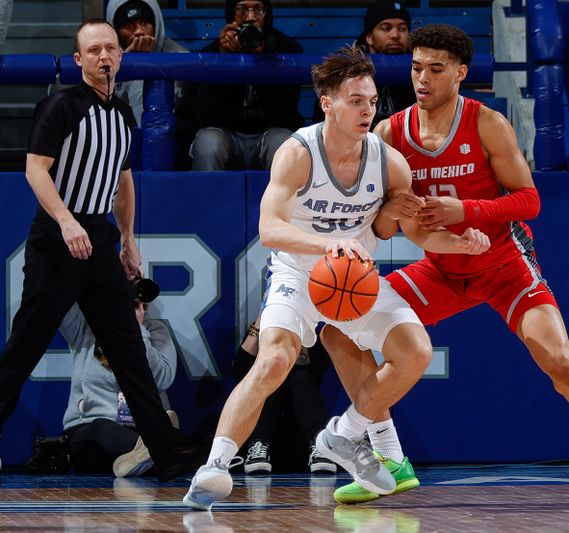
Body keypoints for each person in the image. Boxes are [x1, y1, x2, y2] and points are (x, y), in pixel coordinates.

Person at [320, 24, 569, 504]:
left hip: (505, 264)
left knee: (562, 364)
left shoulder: (487, 123)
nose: (422, 78)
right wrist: (444, 237)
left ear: (461, 74)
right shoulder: (390, 132)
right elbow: (410, 223)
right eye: (415, 67)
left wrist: (467, 213)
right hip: (443, 267)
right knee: (338, 331)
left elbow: (529, 201)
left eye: (435, 69)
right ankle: (390, 459)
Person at [183, 44, 490, 511]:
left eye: (370, 100)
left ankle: (343, 436)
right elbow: (269, 229)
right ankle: (214, 469)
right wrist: (329, 244)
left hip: (355, 278)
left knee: (415, 352)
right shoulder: (297, 151)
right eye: (354, 99)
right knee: (274, 362)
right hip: (299, 274)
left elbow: (410, 230)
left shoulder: (389, 163)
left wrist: (460, 242)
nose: (367, 109)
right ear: (328, 103)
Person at [0, 19, 199, 480]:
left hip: (102, 239)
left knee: (128, 349)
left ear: (121, 55)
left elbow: (123, 181)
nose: (103, 57)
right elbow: (35, 170)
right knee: (26, 345)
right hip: (56, 241)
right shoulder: (60, 106)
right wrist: (66, 221)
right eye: (93, 51)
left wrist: (128, 238)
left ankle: (162, 449)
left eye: (110, 49)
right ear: (78, 60)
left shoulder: (123, 116)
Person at [174, 0, 303, 171]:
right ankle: (207, 198)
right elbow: (205, 118)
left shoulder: (287, 50)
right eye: (242, 10)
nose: (250, 18)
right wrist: (222, 62)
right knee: (207, 140)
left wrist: (263, 62)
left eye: (258, 10)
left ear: (268, 13)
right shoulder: (211, 53)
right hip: (227, 138)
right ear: (230, 14)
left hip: (267, 136)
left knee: (283, 139)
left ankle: (280, 198)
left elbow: (285, 117)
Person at [61, 295, 178, 476]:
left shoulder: (155, 331)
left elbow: (161, 380)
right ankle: (152, 451)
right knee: (101, 429)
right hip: (91, 431)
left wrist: (136, 330)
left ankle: (139, 457)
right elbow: (60, 290)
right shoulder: (84, 326)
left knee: (161, 434)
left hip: (141, 426)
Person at [231, 307, 336, 475]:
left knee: (299, 376)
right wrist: (259, 324)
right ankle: (259, 445)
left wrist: (298, 332)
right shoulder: (263, 332)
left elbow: (316, 374)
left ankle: (319, 445)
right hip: (262, 424)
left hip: (298, 427)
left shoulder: (312, 337)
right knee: (270, 377)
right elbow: (238, 371)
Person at [313, 0, 416, 129]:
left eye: (402, 29)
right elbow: (324, 121)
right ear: (369, 37)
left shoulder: (419, 67)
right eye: (386, 28)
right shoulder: (343, 67)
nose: (395, 35)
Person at [105, 0, 188, 126]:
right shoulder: (104, 61)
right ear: (115, 31)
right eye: (128, 25)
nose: (138, 31)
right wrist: (131, 62)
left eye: (144, 23)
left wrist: (144, 61)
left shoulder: (182, 57)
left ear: (156, 24)